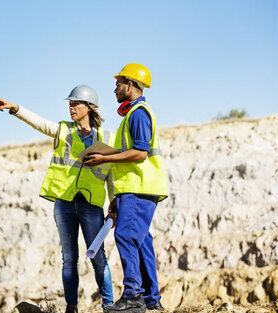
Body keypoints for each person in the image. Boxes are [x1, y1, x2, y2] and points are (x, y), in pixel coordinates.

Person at [0, 85, 115, 313]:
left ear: (88, 107)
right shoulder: (63, 130)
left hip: (91, 205)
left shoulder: (107, 137)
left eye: (75, 104)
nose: (71, 108)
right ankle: (72, 308)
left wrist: (114, 200)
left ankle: (108, 305)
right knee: (69, 259)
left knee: (98, 258)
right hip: (64, 203)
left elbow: (111, 174)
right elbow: (39, 122)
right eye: (69, 104)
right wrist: (16, 109)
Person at [83, 64, 168, 313]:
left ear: (130, 85)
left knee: (126, 237)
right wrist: (117, 197)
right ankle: (151, 300)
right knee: (141, 242)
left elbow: (140, 152)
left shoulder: (139, 113)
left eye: (118, 83)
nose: (115, 88)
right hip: (134, 189)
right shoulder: (134, 114)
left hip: (138, 188)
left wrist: (104, 158)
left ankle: (132, 296)